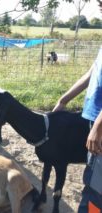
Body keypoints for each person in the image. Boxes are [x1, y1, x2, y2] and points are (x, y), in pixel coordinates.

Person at [53, 46, 102, 213]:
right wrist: (63, 100)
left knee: (95, 187)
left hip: (100, 124)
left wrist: (97, 126)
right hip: (95, 120)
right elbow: (91, 72)